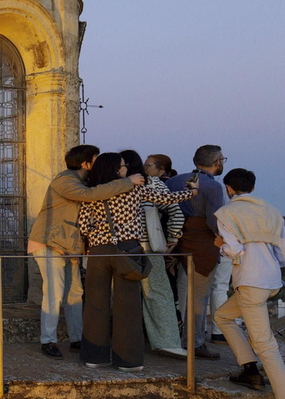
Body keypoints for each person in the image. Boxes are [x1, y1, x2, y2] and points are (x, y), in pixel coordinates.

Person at [76, 153, 198, 371]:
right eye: (123, 167)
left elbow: (83, 226)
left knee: (96, 305)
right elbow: (165, 199)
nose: (127, 170)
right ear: (116, 170)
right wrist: (192, 191)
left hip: (98, 251)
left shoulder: (92, 192)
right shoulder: (135, 189)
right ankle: (128, 360)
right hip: (128, 250)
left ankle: (95, 357)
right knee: (128, 307)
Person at [27, 144, 143, 359]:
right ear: (85, 163)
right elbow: (90, 196)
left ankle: (77, 339)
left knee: (75, 294)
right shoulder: (65, 181)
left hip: (70, 245)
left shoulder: (81, 181)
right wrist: (127, 182)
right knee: (54, 292)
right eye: (95, 158)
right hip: (50, 242)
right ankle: (48, 340)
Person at [214, 169, 285, 399]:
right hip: (269, 281)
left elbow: (233, 249)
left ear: (228, 188)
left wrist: (219, 244)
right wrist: (267, 263)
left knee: (266, 346)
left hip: (250, 281)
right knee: (223, 316)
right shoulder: (272, 211)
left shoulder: (227, 213)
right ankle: (249, 370)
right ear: (252, 188)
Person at [172, 145, 229, 355]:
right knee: (199, 296)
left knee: (183, 292)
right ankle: (194, 342)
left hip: (176, 241)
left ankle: (179, 337)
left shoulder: (174, 181)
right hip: (202, 243)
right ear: (217, 163)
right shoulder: (213, 187)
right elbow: (214, 221)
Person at [132, 152, 191, 357]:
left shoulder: (113, 185)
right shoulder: (152, 184)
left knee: (122, 295)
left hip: (119, 247)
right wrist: (173, 238)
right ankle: (167, 342)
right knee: (158, 293)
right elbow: (175, 211)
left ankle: (122, 342)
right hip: (149, 246)